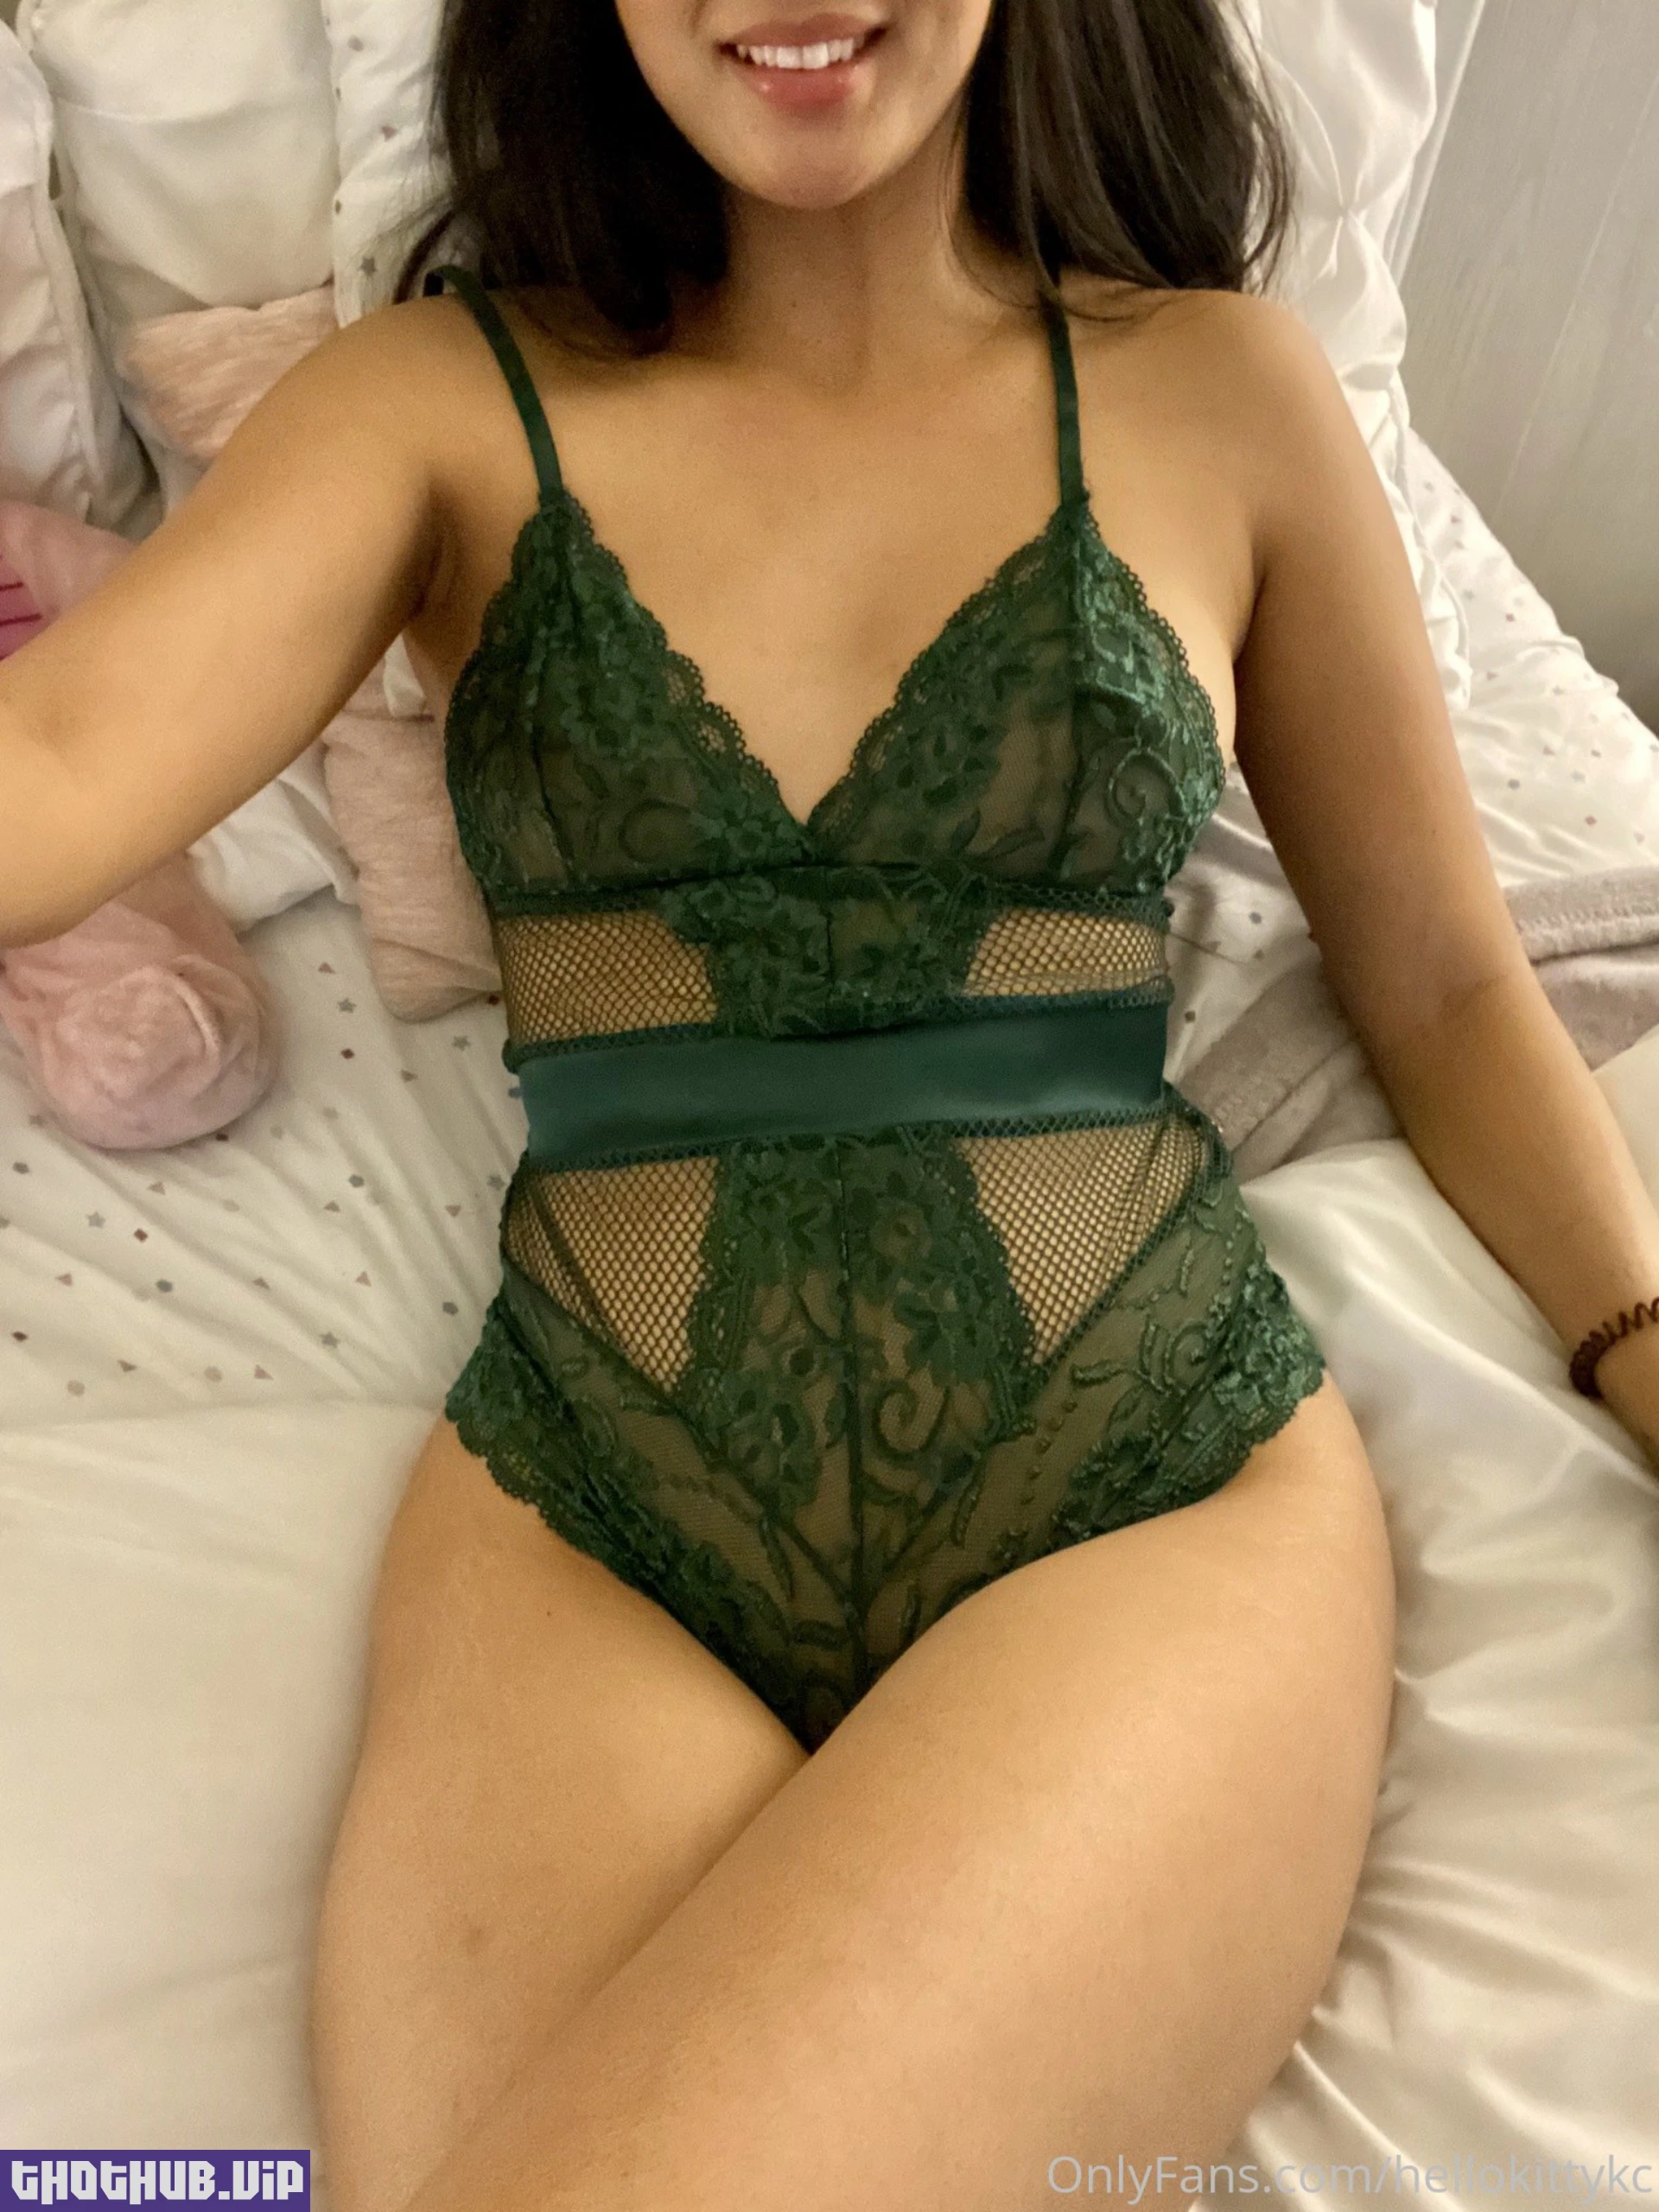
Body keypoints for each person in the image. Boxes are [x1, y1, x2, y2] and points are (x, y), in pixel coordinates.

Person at [3, 0, 1657, 2202]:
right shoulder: (435, 404)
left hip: (1138, 1489)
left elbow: (1442, 978)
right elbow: (57, 762)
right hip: (601, 1508)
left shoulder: (1222, 389)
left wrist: (1639, 1340)